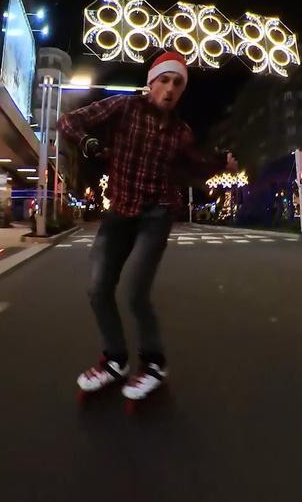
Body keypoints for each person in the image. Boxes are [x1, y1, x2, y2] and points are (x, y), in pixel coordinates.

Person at [59, 51, 236, 401]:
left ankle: (154, 363)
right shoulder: (124, 108)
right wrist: (88, 142)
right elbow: (69, 122)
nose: (170, 89)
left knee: (136, 290)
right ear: (151, 82)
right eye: (164, 81)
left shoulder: (180, 134)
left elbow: (195, 166)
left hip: (155, 216)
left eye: (178, 84)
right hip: (119, 212)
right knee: (98, 289)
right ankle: (115, 359)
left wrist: (221, 163)